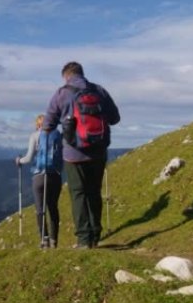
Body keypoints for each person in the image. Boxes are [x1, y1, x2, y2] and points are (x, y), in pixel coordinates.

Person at [43, 62, 120, 249]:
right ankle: (95, 236)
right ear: (82, 73)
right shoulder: (99, 90)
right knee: (94, 192)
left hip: (74, 154)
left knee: (78, 194)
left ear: (66, 76)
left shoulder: (62, 93)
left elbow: (47, 125)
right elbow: (115, 118)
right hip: (98, 152)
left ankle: (84, 239)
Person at [16, 114, 63, 248]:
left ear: (38, 125)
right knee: (53, 207)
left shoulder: (35, 136)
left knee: (40, 209)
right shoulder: (58, 135)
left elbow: (29, 158)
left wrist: (19, 160)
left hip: (39, 177)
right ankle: (54, 241)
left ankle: (44, 240)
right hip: (55, 176)